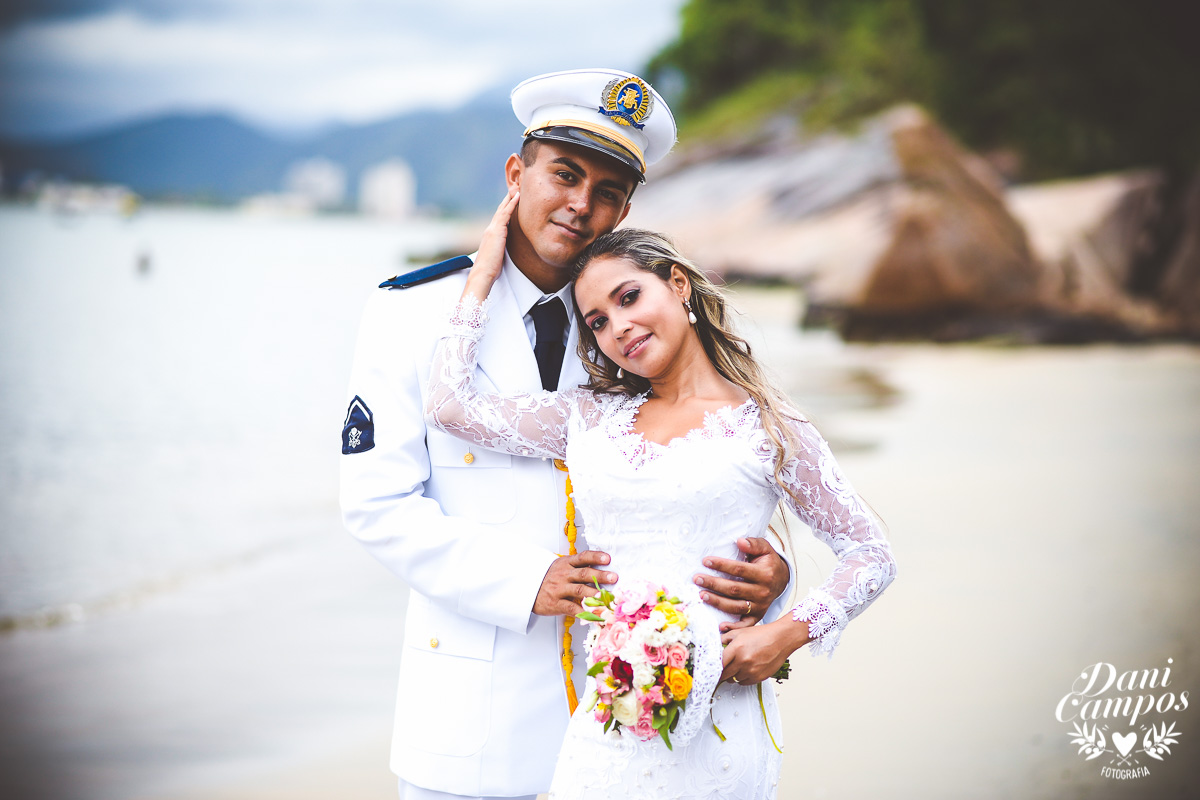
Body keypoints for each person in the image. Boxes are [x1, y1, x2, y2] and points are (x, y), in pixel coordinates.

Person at [340, 68, 794, 800]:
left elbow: (712, 475)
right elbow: (376, 505)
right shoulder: (412, 316)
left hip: (642, 725)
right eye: (564, 173)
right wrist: (527, 581)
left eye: (609, 190)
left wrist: (772, 579)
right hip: (475, 724)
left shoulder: (633, 323)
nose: (582, 205)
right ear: (516, 174)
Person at [423, 193, 898, 798]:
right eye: (596, 321)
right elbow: (447, 406)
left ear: (678, 285)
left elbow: (870, 554)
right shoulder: (587, 418)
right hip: (607, 718)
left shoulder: (768, 427)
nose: (619, 327)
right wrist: (483, 271)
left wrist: (783, 634)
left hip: (719, 721)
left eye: (629, 298)